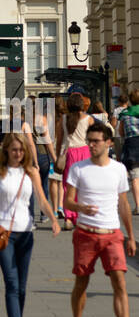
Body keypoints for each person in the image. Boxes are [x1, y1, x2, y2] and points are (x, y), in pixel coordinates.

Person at [0, 130, 60, 317]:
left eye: (21, 150)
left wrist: (54, 219)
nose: (18, 153)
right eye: (14, 149)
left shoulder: (31, 172)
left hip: (26, 233)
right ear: (6, 150)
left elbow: (42, 200)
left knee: (23, 288)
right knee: (12, 282)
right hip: (2, 232)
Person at [64, 122, 137, 317]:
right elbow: (67, 201)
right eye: (89, 141)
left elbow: (123, 204)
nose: (91, 145)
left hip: (112, 234)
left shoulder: (117, 169)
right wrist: (80, 208)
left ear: (108, 142)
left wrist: (131, 236)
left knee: (120, 283)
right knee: (81, 282)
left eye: (96, 141)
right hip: (86, 233)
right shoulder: (79, 168)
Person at [56, 94, 93, 227]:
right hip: (85, 152)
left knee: (68, 185)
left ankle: (69, 218)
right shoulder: (88, 119)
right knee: (85, 185)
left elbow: (59, 140)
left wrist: (57, 156)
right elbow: (93, 139)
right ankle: (81, 216)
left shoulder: (63, 119)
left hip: (69, 153)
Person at [116, 86, 139, 215]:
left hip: (132, 144)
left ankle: (138, 205)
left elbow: (121, 132)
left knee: (135, 177)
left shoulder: (125, 114)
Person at [48, 96, 67, 219]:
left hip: (52, 152)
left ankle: (54, 209)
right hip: (64, 151)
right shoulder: (66, 118)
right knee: (61, 181)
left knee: (53, 181)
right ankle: (61, 206)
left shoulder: (48, 119)